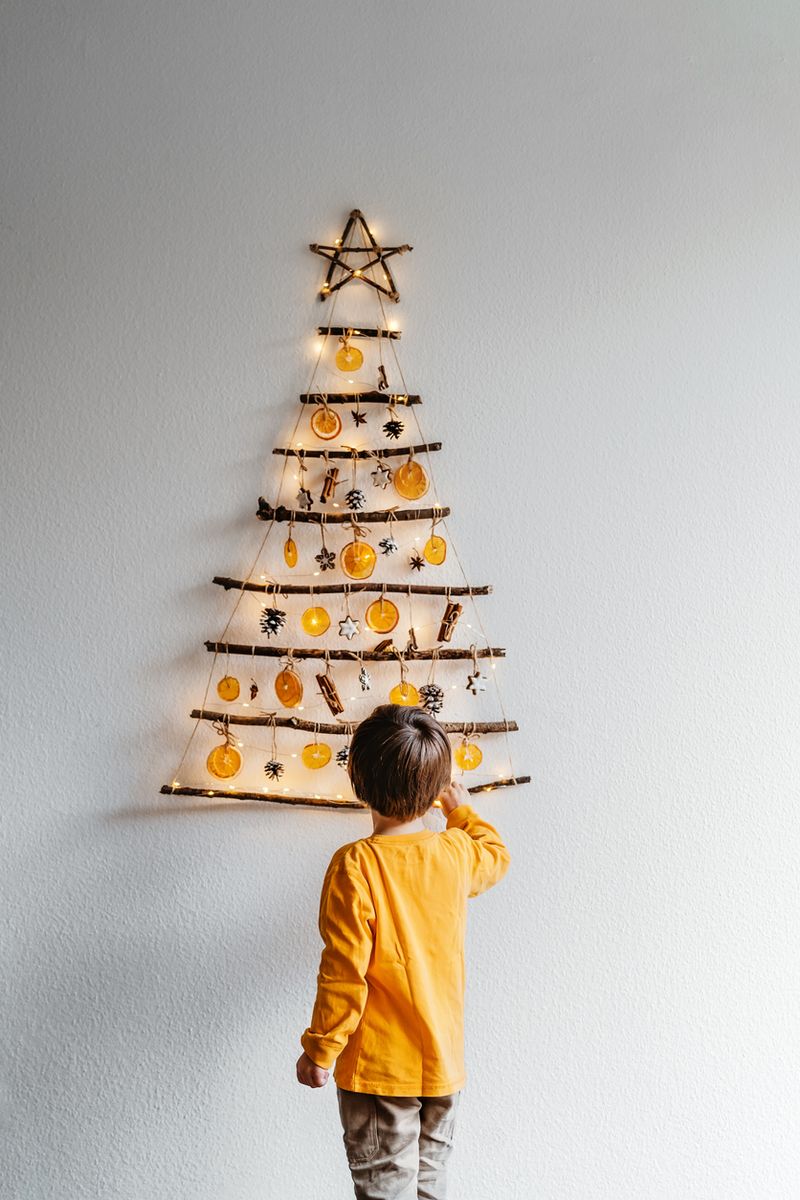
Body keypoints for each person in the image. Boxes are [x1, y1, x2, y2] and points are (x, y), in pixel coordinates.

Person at [295, 703, 510, 1200]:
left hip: (378, 1073)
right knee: (429, 1189)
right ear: (436, 790)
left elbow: (344, 972)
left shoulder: (356, 865)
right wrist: (460, 809)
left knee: (385, 1192)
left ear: (358, 779)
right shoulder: (454, 853)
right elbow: (495, 856)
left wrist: (321, 1047)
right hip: (441, 1066)